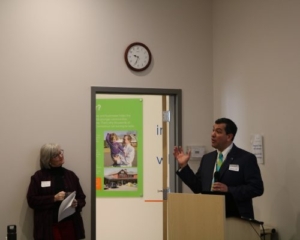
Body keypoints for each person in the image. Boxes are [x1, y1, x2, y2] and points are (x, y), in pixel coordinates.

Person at [174, 118, 264, 219]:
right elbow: (198, 187)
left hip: (236, 219)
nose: (213, 134)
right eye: (213, 130)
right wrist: (184, 166)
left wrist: (229, 190)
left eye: (218, 131)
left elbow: (257, 188)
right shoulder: (207, 158)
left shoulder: (245, 158)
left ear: (229, 137)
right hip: (209, 216)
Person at [27, 143, 86, 240]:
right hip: (48, 226)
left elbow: (82, 198)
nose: (61, 156)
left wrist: (76, 203)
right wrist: (53, 198)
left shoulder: (71, 175)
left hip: (70, 224)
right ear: (48, 159)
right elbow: (31, 200)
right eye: (56, 155)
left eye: (61, 152)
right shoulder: (39, 177)